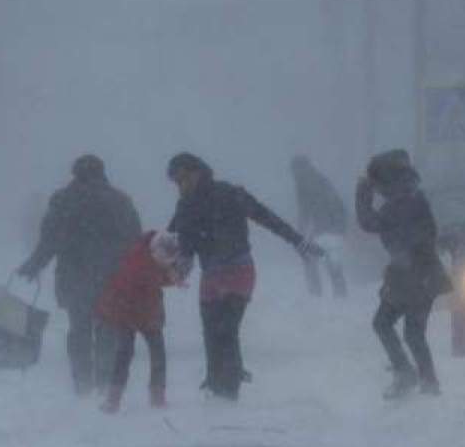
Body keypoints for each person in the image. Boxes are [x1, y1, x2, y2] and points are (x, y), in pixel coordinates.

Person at [166, 152, 324, 401]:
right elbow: (176, 242)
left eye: (183, 179)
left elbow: (267, 218)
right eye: (176, 182)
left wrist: (298, 241)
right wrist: (172, 263)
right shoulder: (185, 206)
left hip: (238, 270)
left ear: (198, 172)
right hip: (211, 275)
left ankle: (228, 391)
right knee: (211, 331)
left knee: (226, 329)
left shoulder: (229, 193)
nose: (181, 186)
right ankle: (217, 381)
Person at [18, 154, 142, 395]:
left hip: (75, 276)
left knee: (79, 329)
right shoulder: (119, 200)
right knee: (107, 328)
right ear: (102, 172)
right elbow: (134, 240)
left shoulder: (64, 200)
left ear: (75, 174)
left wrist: (34, 264)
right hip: (111, 276)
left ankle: (82, 382)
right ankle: (105, 381)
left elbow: (50, 239)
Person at [355, 149, 452, 399]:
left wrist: (362, 192)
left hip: (414, 277)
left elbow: (369, 222)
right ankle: (423, 380)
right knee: (407, 331)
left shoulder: (402, 202)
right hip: (418, 276)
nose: (377, 190)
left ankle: (413, 377)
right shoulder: (411, 197)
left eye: (377, 184)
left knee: (390, 326)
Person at [96, 231, 190, 414]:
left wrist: (173, 278)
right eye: (166, 260)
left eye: (170, 261)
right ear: (155, 252)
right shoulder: (137, 263)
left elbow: (158, 277)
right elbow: (135, 286)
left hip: (148, 313)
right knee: (125, 354)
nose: (168, 264)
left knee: (156, 355)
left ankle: (157, 398)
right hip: (126, 314)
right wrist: (171, 278)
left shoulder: (150, 256)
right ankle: (113, 399)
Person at [290, 155, 349, 297]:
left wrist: (301, 231)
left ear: (302, 168)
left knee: (315, 256)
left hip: (329, 224)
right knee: (327, 258)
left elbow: (305, 210)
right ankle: (336, 294)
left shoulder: (307, 182)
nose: (294, 174)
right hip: (331, 224)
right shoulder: (314, 179)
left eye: (295, 170)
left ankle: (317, 294)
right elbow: (306, 209)